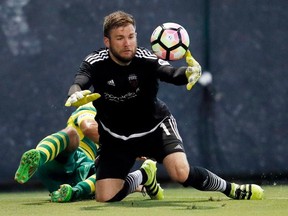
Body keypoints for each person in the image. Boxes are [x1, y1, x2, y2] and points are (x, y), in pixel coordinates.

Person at [65, 10, 264, 202]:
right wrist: (75, 93)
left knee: (181, 173)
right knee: (105, 197)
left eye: (131, 36)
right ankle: (143, 176)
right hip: (116, 138)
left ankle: (233, 189)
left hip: (154, 128)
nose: (127, 43)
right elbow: (80, 80)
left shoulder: (146, 58)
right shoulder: (96, 61)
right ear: (107, 42)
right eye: (120, 38)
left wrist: (188, 73)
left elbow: (169, 72)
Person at [15, 102, 161, 202]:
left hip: (85, 173)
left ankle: (145, 175)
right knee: (71, 134)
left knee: (110, 169)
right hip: (66, 159)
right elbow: (89, 128)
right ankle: (38, 157)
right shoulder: (93, 105)